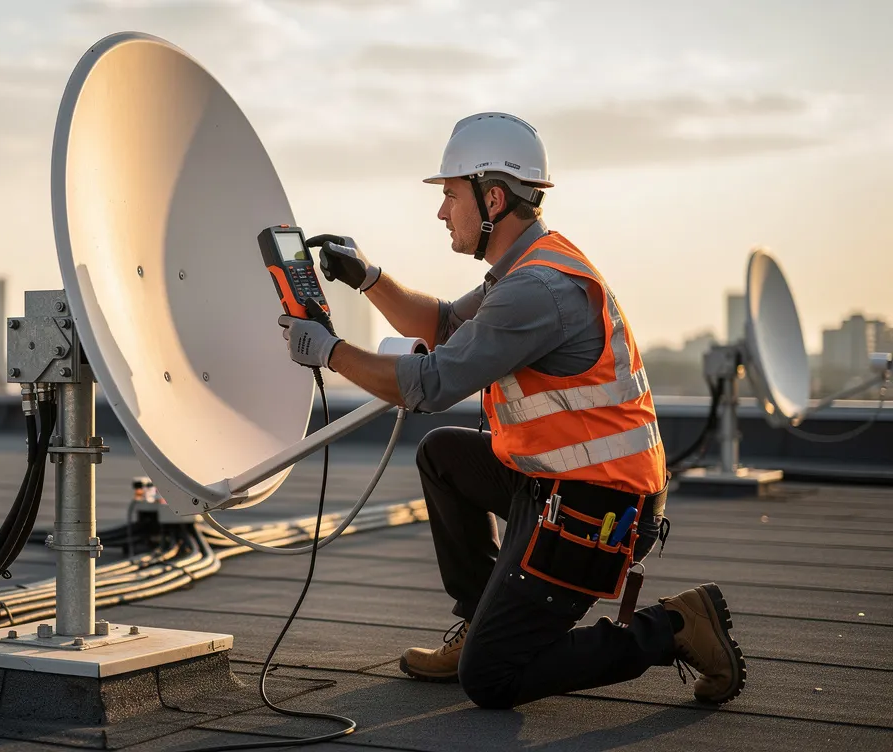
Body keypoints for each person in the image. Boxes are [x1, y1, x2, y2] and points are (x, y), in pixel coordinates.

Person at [277, 112, 746, 709]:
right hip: (554, 487)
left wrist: (331, 352)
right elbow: (446, 325)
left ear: (492, 198)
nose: (442, 211)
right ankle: (481, 618)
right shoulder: (527, 268)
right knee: (444, 455)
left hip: (595, 516)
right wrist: (367, 278)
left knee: (492, 678)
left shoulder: (536, 290)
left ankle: (678, 627)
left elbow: (429, 382)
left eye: (450, 195)